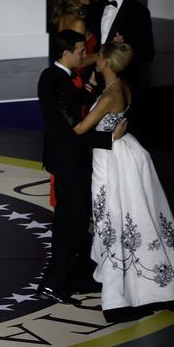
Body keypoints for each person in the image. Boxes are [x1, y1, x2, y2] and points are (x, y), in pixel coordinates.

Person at [71, 42, 174, 321]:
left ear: (107, 63)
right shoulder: (121, 86)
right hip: (124, 152)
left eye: (99, 56)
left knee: (115, 216)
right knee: (136, 213)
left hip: (111, 160)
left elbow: (79, 130)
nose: (95, 58)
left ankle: (120, 292)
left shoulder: (111, 94)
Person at [36, 30, 125, 305]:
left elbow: (72, 106)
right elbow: (75, 128)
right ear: (66, 53)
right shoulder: (60, 83)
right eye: (80, 51)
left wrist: (88, 89)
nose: (83, 56)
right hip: (70, 162)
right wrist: (110, 137)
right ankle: (53, 283)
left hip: (63, 160)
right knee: (73, 222)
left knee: (68, 221)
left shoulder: (51, 77)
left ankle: (56, 281)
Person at [85, 0, 154, 115]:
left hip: (122, 84)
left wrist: (122, 48)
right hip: (92, 82)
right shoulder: (94, 8)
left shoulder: (138, 12)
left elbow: (148, 53)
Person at [51, 0, 97, 89]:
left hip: (67, 78)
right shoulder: (78, 23)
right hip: (79, 81)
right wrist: (104, 54)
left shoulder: (61, 18)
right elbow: (80, 61)